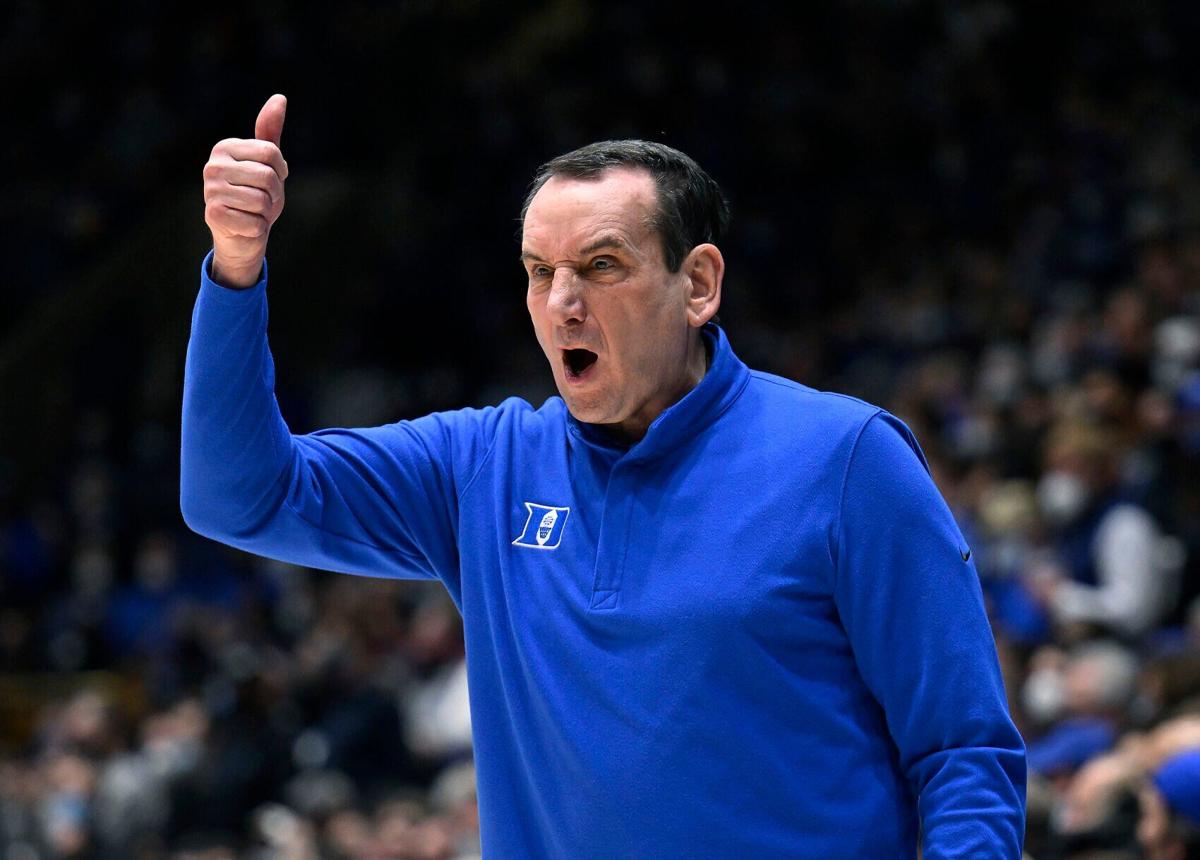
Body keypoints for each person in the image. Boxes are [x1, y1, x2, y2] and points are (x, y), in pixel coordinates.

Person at [182, 94, 1027, 857]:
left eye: (601, 266)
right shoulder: (483, 467)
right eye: (539, 272)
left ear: (697, 283)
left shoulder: (845, 459)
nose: (560, 306)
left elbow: (962, 754)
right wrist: (235, 267)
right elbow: (237, 498)